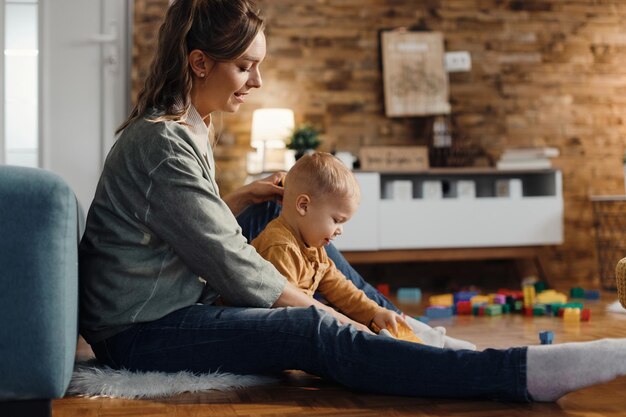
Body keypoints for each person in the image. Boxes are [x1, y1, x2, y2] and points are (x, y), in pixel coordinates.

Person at [78, 0, 626, 403]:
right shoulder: (163, 142)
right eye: (245, 66)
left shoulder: (187, 127)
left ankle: (404, 329)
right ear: (199, 63)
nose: (258, 80)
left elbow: (175, 225)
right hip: (139, 332)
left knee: (279, 207)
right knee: (307, 330)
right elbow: (231, 266)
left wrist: (241, 196)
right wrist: (323, 314)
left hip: (165, 300)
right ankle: (514, 374)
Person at [250, 151, 472, 347]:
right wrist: (352, 324)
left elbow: (342, 289)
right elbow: (290, 312)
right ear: (304, 206)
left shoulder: (312, 246)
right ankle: (412, 346)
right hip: (270, 332)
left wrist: (375, 312)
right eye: (337, 220)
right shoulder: (280, 247)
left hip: (300, 321)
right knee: (345, 330)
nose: (340, 230)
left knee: (351, 314)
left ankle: (420, 340)